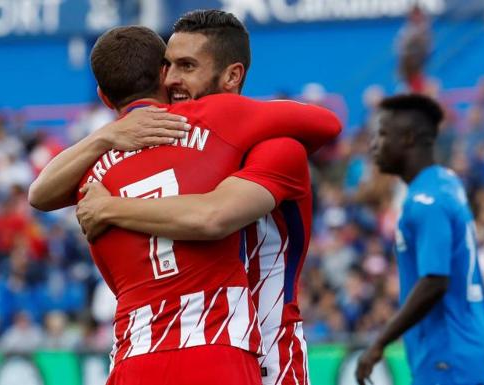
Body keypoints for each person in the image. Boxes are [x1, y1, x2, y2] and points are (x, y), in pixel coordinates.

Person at [30, 12, 340, 385]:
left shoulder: (275, 147)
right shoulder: (155, 139)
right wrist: (107, 135)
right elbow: (40, 194)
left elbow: (213, 216)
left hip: (270, 354)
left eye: (186, 66)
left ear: (232, 76)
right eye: (167, 66)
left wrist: (110, 207)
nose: (172, 79)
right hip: (215, 345)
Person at [356, 94, 484, 385]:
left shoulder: (426, 202)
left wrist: (379, 342)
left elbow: (434, 281)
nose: (374, 145)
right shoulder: (446, 181)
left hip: (447, 352)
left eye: (382, 134)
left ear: (407, 138)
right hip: (458, 346)